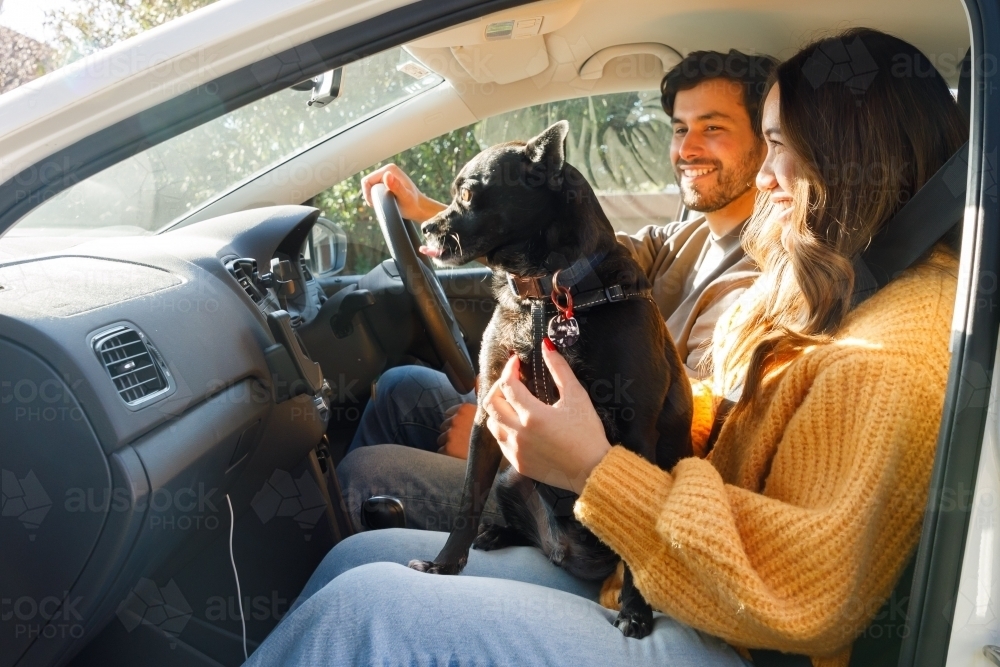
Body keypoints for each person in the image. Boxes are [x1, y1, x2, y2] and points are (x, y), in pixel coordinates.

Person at [246, 28, 966, 667]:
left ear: (849, 155)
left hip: (723, 631)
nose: (767, 175)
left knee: (366, 608)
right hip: (661, 567)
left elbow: (809, 595)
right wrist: (455, 221)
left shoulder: (887, 354)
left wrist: (594, 466)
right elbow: (588, 263)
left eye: (775, 143)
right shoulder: (811, 279)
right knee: (359, 558)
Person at [338, 50, 775, 530]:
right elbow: (556, 242)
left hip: (599, 497)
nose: (688, 148)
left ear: (768, 138)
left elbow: (695, 428)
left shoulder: (762, 278)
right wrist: (431, 210)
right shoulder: (683, 237)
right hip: (552, 427)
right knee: (403, 386)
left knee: (367, 474)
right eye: (679, 128)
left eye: (712, 128)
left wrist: (515, 444)